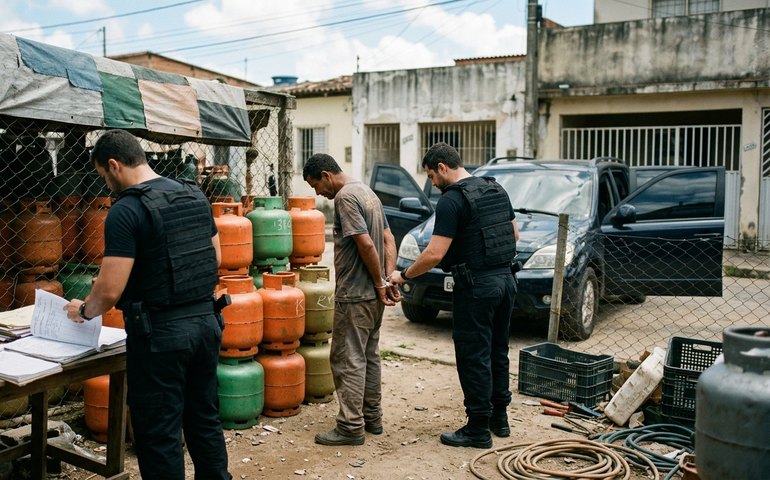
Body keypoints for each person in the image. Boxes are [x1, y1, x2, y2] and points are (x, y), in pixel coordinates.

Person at [64, 129, 231, 479]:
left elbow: (108, 291)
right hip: (206, 324)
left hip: (161, 336)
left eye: (103, 175)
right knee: (203, 418)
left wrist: (83, 310)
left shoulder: (127, 210)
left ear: (113, 165)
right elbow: (214, 258)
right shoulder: (193, 194)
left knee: (159, 432)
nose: (106, 183)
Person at [389, 142, 519, 449]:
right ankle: (499, 419)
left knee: (474, 356)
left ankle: (477, 430)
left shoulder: (452, 200)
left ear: (443, 167)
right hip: (506, 281)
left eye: (432, 176)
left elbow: (434, 254)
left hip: (477, 287)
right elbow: (514, 234)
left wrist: (403, 275)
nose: (432, 183)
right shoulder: (495, 189)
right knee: (497, 352)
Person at [303, 153, 400, 446]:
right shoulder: (367, 192)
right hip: (373, 296)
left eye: (315, 185)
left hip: (355, 295)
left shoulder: (345, 197)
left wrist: (377, 281)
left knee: (347, 359)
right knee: (368, 355)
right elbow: (388, 239)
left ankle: (350, 426)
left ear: (325, 175)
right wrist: (387, 279)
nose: (318, 192)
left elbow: (367, 243)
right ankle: (373, 419)